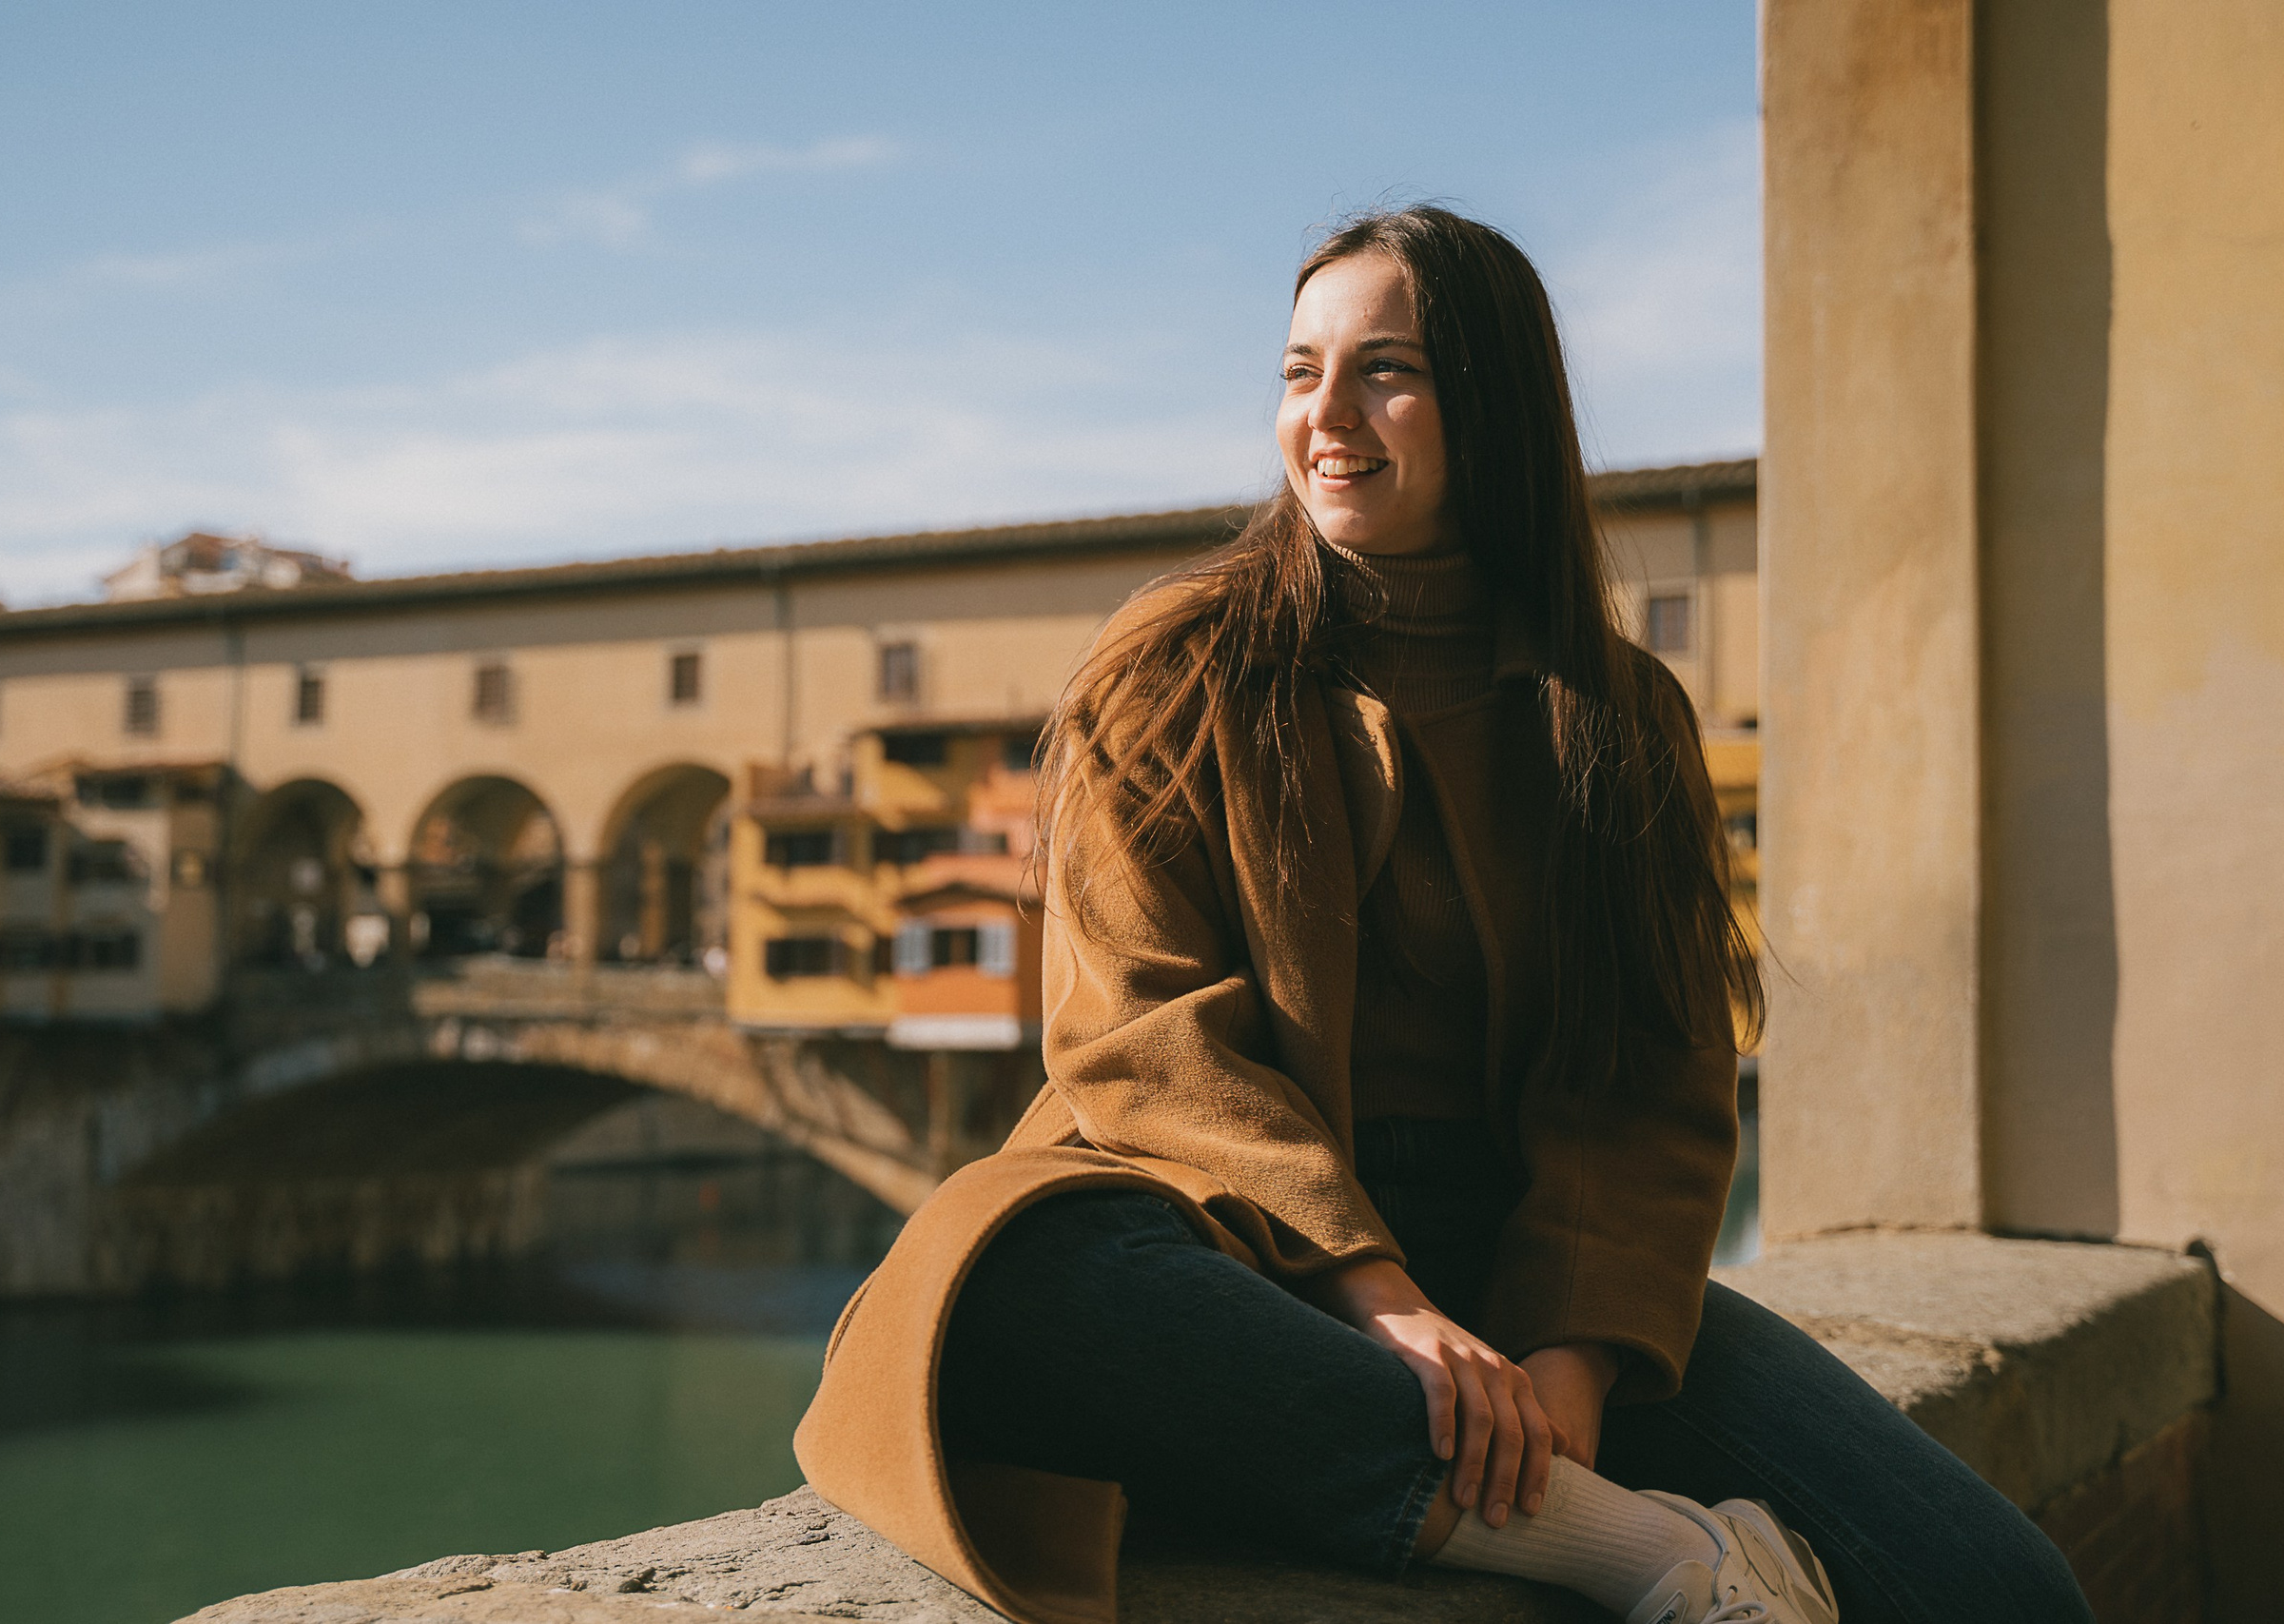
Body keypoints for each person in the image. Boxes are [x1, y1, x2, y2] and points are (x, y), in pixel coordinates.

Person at [795, 205, 2092, 1624]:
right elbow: (1139, 1042)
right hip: (1237, 1238)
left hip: (1535, 1252)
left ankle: (1513, 1480)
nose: (1329, 417)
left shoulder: (1619, 714)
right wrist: (1381, 1300)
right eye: (1301, 373)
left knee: (1997, 1588)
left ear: (1492, 400)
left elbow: (1652, 1077)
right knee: (1012, 1273)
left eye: (1386, 371)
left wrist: (1571, 1358)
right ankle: (1640, 1551)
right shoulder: (1173, 664)